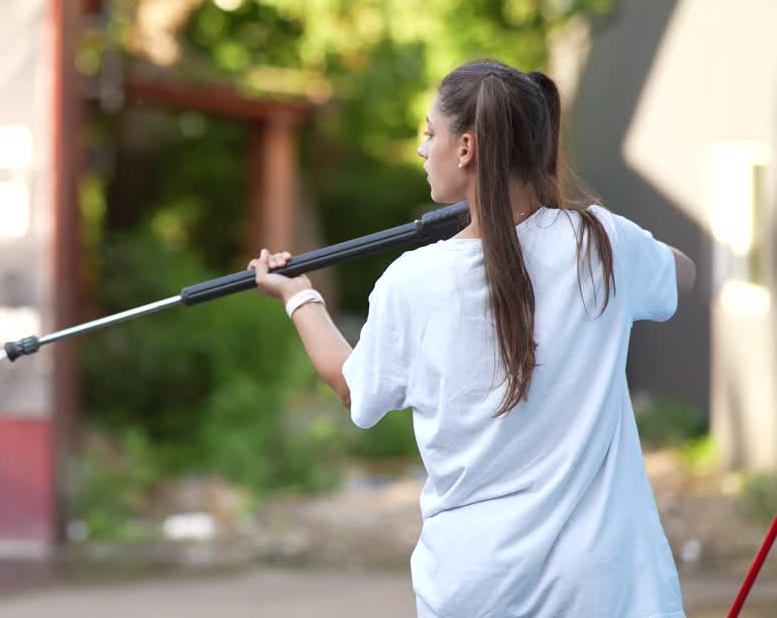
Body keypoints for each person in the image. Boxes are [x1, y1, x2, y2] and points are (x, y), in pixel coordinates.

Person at [250, 59, 695, 617]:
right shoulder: (601, 242)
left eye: (429, 133)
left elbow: (351, 387)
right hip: (603, 585)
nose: (422, 149)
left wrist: (298, 296)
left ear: (466, 149)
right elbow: (681, 274)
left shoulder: (412, 282)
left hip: (476, 587)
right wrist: (608, 233)